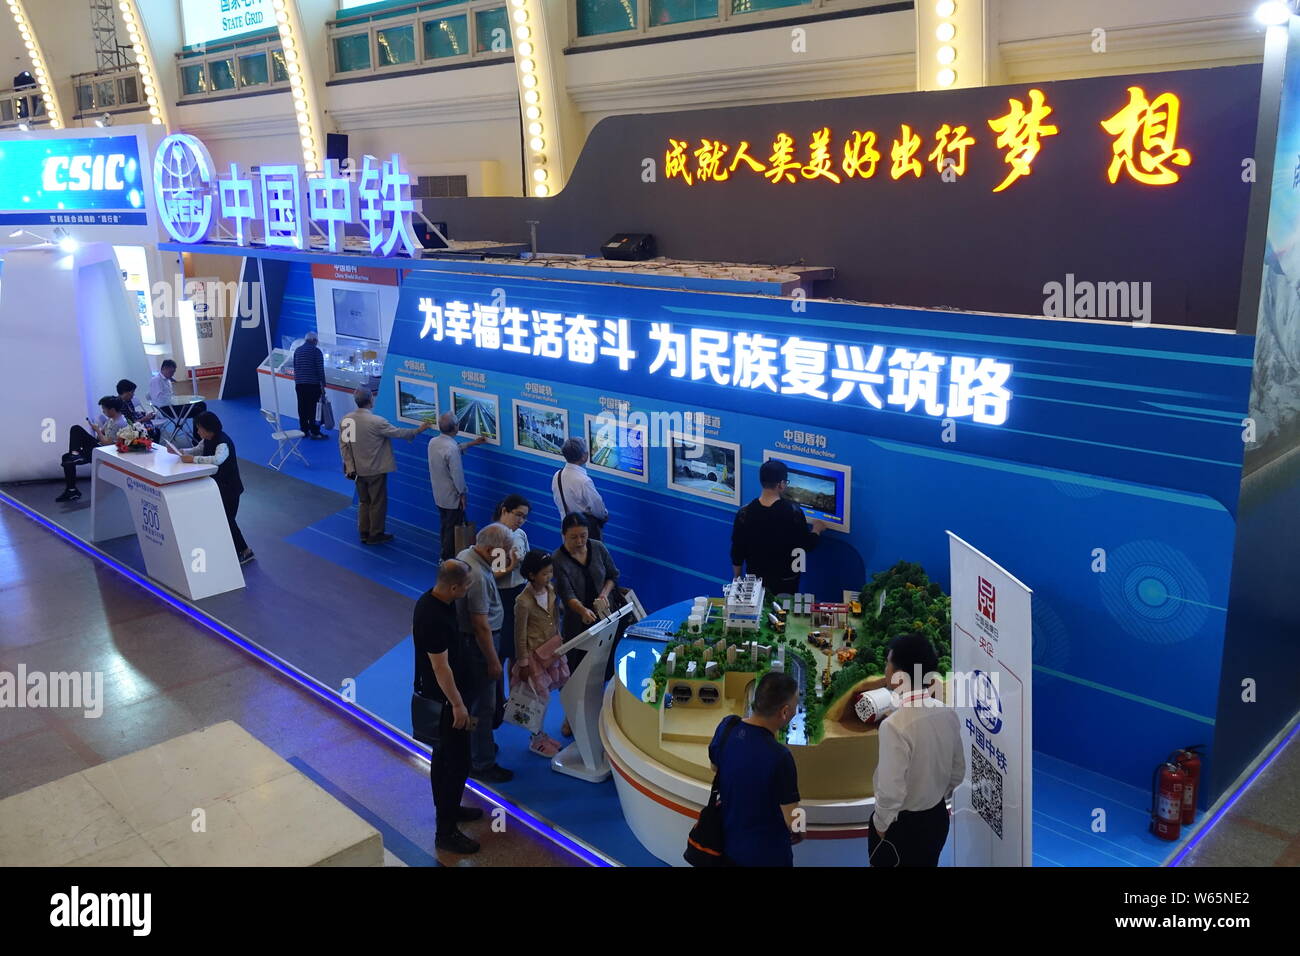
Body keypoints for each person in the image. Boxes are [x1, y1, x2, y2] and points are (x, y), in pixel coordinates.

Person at [868, 633, 965, 868]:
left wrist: (881, 825)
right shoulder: (947, 712)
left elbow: (891, 790)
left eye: (888, 662)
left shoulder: (894, 726)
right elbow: (958, 771)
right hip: (936, 819)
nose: (886, 667)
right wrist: (933, 796)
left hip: (902, 827)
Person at [412, 558, 486, 855]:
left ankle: (450, 808)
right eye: (467, 585)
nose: (469, 589)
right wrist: (457, 705)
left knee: (444, 759)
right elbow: (440, 668)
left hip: (449, 697)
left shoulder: (434, 601)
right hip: (445, 703)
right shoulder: (434, 617)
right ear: (454, 587)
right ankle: (445, 832)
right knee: (455, 764)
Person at [708, 671, 802, 867]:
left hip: (728, 845)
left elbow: (715, 767)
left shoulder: (727, 727)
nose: (796, 711)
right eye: (795, 706)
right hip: (768, 856)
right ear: (784, 712)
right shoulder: (780, 757)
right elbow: (792, 818)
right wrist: (801, 830)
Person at [455, 523, 514, 784]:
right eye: (504, 551)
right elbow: (480, 625)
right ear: (490, 549)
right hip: (480, 648)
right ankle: (482, 762)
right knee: (484, 706)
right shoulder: (477, 575)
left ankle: (477, 747)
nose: (507, 556)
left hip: (473, 645)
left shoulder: (466, 555)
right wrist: (493, 661)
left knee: (477, 703)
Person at [339, 387, 432, 545]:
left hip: (356, 470)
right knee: (378, 502)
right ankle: (375, 533)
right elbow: (399, 433)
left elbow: (344, 446)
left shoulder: (347, 420)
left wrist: (349, 467)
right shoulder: (377, 422)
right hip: (375, 469)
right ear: (371, 400)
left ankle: (364, 531)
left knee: (364, 502)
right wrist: (418, 430)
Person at [730, 458, 828, 595]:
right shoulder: (793, 513)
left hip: (755, 580)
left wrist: (737, 579)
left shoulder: (744, 513)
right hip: (786, 580)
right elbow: (806, 545)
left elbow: (737, 551)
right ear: (781, 484)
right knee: (783, 613)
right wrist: (817, 529)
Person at [551, 512, 620, 691]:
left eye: (583, 536)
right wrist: (583, 611)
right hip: (578, 623)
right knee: (578, 670)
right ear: (563, 535)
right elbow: (566, 594)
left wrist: (604, 594)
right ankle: (572, 714)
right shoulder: (557, 559)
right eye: (574, 537)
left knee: (605, 664)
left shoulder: (598, 547)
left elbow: (612, 575)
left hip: (605, 615)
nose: (580, 541)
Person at [511, 549, 570, 758]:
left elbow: (555, 616)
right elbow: (519, 634)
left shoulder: (551, 590)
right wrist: (523, 662)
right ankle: (536, 738)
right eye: (544, 573)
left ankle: (542, 734)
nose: (549, 577)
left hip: (552, 649)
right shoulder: (523, 601)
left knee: (553, 691)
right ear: (531, 575)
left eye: (550, 572)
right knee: (539, 699)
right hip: (533, 657)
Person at [178, 410, 254, 566]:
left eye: (199, 428)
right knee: (225, 520)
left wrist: (193, 460)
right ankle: (232, 548)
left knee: (228, 520)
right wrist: (181, 452)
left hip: (229, 489)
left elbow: (217, 459)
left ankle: (245, 550)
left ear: (208, 428)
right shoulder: (207, 439)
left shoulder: (222, 442)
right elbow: (197, 450)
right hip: (219, 487)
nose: (197, 431)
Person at [427, 412, 487, 559]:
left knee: (445, 524)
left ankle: (445, 553)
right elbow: (457, 476)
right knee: (452, 528)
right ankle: (447, 558)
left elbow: (451, 450)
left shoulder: (433, 442)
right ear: (456, 427)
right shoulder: (451, 448)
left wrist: (472, 443)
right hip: (452, 495)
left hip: (439, 493)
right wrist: (462, 494)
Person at [55, 396, 129, 502]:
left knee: (76, 429)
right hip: (99, 447)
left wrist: (97, 431)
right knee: (67, 458)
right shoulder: (111, 420)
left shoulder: (120, 423)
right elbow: (101, 435)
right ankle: (71, 490)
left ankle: (75, 455)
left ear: (112, 409)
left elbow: (107, 443)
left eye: (104, 409)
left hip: (106, 452)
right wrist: (97, 429)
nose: (103, 411)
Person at [492, 494, 531, 674]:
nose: (521, 520)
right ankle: (498, 697)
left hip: (520, 594)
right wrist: (512, 565)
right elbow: (494, 575)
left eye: (524, 517)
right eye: (518, 515)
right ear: (504, 511)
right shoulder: (496, 536)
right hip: (502, 598)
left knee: (518, 649)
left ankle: (514, 697)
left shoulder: (520, 534)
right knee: (501, 650)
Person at [551, 437, 608, 540]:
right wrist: (604, 515)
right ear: (583, 456)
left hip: (567, 531)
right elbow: (598, 508)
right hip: (585, 534)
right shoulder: (584, 481)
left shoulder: (557, 475)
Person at [293, 332, 328, 440]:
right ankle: (315, 432)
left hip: (300, 385)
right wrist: (323, 386)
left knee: (302, 407)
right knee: (314, 409)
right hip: (313, 385)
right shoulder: (316, 352)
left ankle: (304, 430)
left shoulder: (297, 351)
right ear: (314, 341)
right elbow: (320, 370)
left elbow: (295, 367)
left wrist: (298, 381)